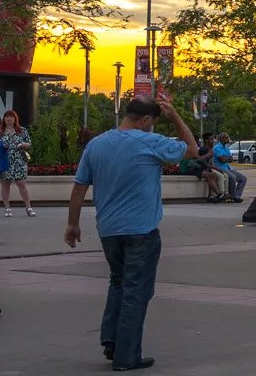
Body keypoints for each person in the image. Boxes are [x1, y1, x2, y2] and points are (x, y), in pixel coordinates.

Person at [65, 95, 196, 368]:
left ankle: (112, 341)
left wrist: (73, 224)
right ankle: (127, 356)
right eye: (153, 121)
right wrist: (175, 117)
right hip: (142, 230)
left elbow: (79, 187)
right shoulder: (150, 142)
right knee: (136, 291)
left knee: (118, 282)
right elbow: (192, 149)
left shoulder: (96, 144)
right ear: (146, 120)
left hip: (109, 230)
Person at [0, 109, 35, 217]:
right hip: (5, 161)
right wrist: (1, 146)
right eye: (7, 117)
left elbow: (29, 143)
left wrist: (23, 144)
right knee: (5, 184)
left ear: (15, 118)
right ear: (4, 119)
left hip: (19, 161)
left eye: (11, 117)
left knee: (21, 183)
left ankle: (28, 207)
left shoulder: (22, 130)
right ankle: (7, 208)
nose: (9, 119)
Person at [212, 135, 247, 201]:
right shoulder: (217, 148)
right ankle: (233, 195)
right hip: (220, 167)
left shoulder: (226, 148)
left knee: (243, 178)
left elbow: (231, 159)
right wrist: (226, 159)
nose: (228, 139)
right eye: (227, 138)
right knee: (232, 177)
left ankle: (237, 195)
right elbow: (222, 160)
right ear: (222, 138)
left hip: (228, 167)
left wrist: (226, 158)